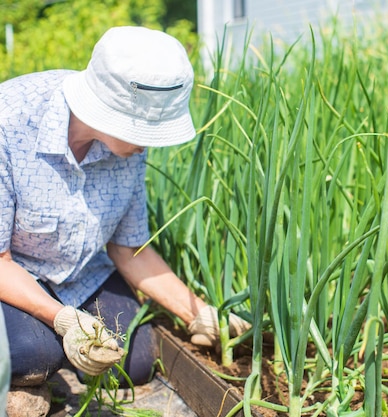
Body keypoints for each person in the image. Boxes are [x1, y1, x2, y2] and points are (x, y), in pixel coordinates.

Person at [0, 26, 249, 416]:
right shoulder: (9, 124)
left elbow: (128, 247)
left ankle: (47, 366)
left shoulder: (129, 150)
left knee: (134, 362)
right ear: (107, 111)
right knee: (33, 354)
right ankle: (29, 381)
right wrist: (63, 319)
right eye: (144, 130)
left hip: (81, 273)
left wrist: (197, 312)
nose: (148, 143)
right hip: (15, 273)